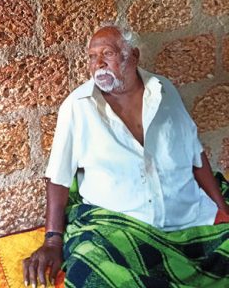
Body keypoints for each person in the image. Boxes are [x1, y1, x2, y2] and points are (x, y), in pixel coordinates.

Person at [23, 24, 229, 287]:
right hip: (121, 226)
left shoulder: (164, 90)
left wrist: (222, 209)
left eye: (106, 54)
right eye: (91, 57)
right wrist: (52, 240)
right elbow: (58, 178)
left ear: (132, 56)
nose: (98, 64)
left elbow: (195, 154)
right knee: (91, 268)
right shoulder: (77, 107)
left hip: (185, 216)